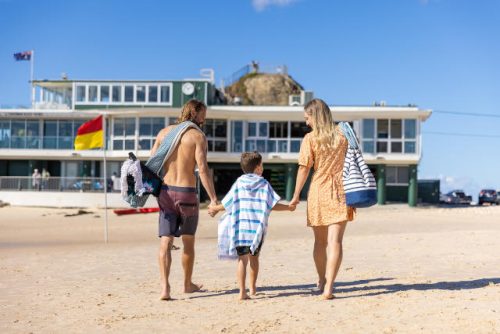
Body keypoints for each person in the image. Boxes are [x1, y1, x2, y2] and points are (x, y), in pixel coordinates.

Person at [151, 99, 218, 301]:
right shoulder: (198, 136)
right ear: (195, 113)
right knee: (188, 242)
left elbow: (152, 161)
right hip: (186, 192)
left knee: (165, 241)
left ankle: (165, 288)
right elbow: (203, 170)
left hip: (165, 191)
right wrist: (214, 198)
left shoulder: (164, 133)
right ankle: (187, 284)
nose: (204, 118)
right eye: (203, 114)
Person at [289, 99, 355, 300]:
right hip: (341, 190)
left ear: (315, 116)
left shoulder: (310, 138)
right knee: (336, 241)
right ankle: (329, 288)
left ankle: (321, 280)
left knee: (320, 242)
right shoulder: (344, 134)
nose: (306, 122)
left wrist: (295, 195)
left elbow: (304, 168)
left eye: (307, 118)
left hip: (318, 190)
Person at [209, 152, 295, 300]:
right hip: (257, 231)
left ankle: (242, 292)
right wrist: (289, 207)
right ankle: (253, 289)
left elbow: (228, 203)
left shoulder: (239, 183)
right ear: (257, 168)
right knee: (254, 259)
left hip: (241, 230)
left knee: (242, 260)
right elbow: (272, 205)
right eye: (261, 164)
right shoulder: (264, 184)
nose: (262, 167)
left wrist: (214, 209)